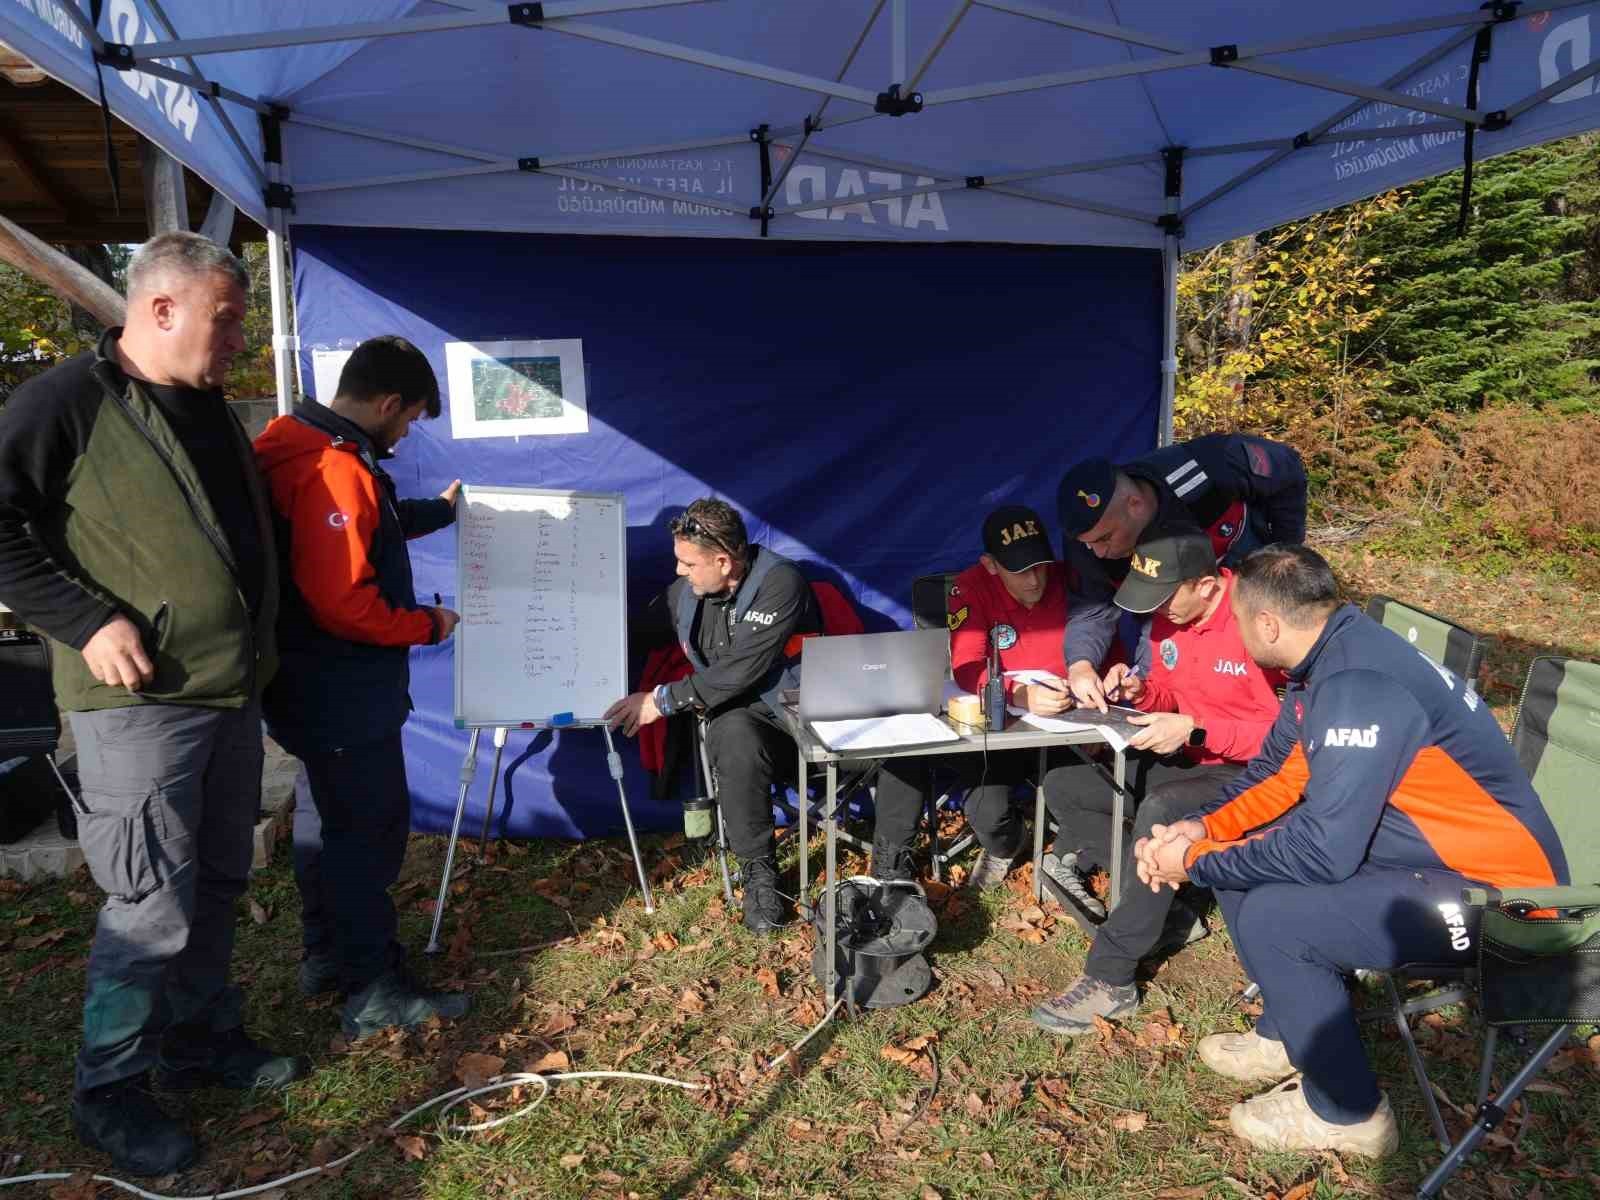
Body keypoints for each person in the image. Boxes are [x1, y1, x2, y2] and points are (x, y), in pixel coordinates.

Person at [0, 232, 303, 1176]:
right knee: (148, 902)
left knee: (216, 880)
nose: (241, 337)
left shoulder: (209, 406)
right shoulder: (67, 400)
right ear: (162, 308)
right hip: (137, 704)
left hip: (225, 693)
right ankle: (110, 1091)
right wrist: (87, 620)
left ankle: (201, 1040)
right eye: (229, 317)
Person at [1135, 544, 1568, 1156]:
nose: (1233, 632)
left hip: (1516, 907)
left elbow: (1325, 854)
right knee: (1240, 861)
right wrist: (1201, 830)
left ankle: (1349, 1115)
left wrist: (1195, 863)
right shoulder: (1330, 657)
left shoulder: (1358, 685)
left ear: (1268, 625)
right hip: (1429, 858)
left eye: (1236, 621)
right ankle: (1291, 1028)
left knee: (1278, 916)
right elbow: (1278, 775)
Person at [254, 335, 468, 1040]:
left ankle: (327, 957)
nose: (406, 435)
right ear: (386, 403)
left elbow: (360, 532)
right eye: (408, 420)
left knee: (324, 826)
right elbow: (344, 600)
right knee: (366, 835)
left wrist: (437, 511)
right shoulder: (332, 468)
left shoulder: (295, 444)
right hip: (342, 690)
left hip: (306, 687)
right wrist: (426, 623)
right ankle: (373, 987)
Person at [1029, 527, 1285, 1033]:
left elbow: (1295, 737)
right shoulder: (1173, 618)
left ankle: (1112, 976)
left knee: (1161, 809)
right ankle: (1172, 902)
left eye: (1166, 597)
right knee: (1065, 785)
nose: (1157, 610)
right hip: (1190, 751)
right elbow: (1171, 687)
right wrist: (1142, 689)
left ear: (1209, 585)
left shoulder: (1262, 622)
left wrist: (1198, 729)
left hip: (1256, 770)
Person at [605, 499, 820, 933]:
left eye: (688, 563)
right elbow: (634, 629)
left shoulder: (780, 582)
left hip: (804, 718)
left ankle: (892, 871)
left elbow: (743, 669)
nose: (680, 572)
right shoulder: (686, 593)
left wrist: (661, 701)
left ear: (723, 561)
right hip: (747, 725)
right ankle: (760, 875)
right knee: (734, 735)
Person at [870, 505, 1085, 893]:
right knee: (988, 813)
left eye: (1040, 566)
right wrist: (1019, 693)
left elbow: (1104, 641)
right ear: (990, 565)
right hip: (1000, 722)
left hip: (1068, 722)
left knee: (1096, 796)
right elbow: (968, 666)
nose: (1036, 580)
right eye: (1020, 571)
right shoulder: (969, 587)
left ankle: (1073, 852)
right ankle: (1009, 843)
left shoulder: (1070, 578)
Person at [1056, 434, 1306, 712]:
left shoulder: (1206, 467)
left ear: (1135, 504)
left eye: (1105, 539)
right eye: (1088, 544)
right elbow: (1092, 609)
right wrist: (1080, 665)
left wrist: (1284, 557)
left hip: (1253, 582)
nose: (1098, 552)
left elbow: (1288, 471)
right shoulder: (1086, 541)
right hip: (1169, 614)